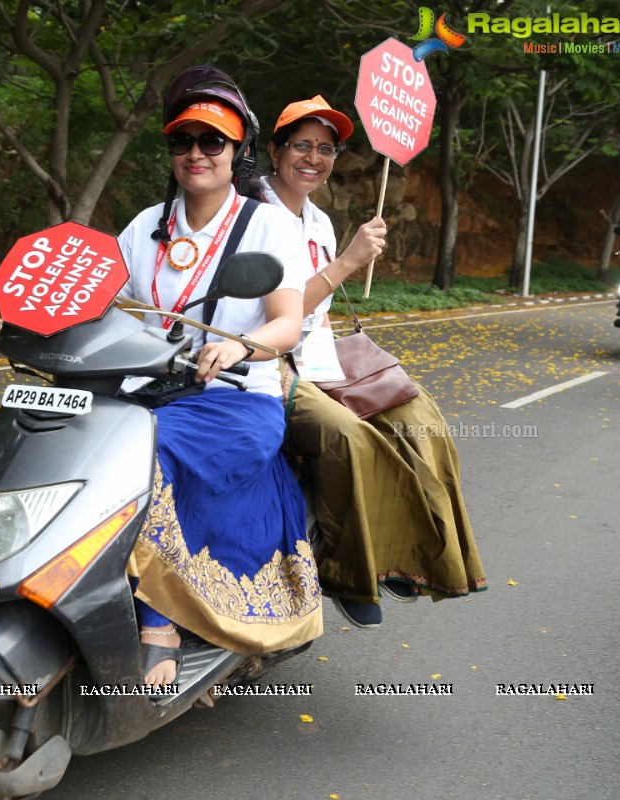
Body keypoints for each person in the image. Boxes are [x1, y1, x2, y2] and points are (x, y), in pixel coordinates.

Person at [117, 67, 322, 685]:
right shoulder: (143, 227)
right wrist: (19, 321)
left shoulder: (268, 226)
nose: (197, 153)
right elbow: (95, 303)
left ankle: (159, 620)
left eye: (214, 142)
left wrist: (240, 348)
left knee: (144, 456)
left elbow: (287, 321)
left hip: (237, 400)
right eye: (183, 141)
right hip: (148, 393)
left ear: (239, 152)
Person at [258, 95, 486, 628]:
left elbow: (322, 314)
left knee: (420, 419)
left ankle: (414, 554)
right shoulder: (252, 215)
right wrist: (348, 262)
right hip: (272, 359)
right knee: (350, 437)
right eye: (301, 145)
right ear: (274, 151)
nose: (313, 158)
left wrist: (351, 366)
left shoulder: (317, 220)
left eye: (326, 149)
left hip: (320, 354)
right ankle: (348, 572)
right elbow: (283, 312)